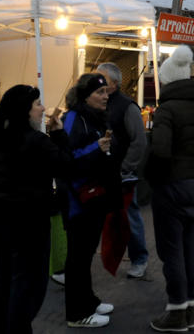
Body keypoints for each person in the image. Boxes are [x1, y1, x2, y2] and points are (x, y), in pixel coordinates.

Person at [0, 85, 72, 333]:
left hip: (0, 220)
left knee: (2, 277)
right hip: (30, 222)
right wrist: (59, 134)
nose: (43, 109)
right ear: (25, 110)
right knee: (29, 282)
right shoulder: (36, 141)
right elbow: (65, 166)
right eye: (37, 104)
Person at [145, 45, 194, 332]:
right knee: (190, 248)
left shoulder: (166, 110)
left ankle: (176, 311)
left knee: (171, 251)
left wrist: (152, 177)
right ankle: (190, 309)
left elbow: (160, 151)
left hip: (172, 185)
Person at [62, 73, 117, 327]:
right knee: (78, 256)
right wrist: (97, 148)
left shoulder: (95, 116)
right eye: (100, 92)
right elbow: (67, 157)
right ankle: (77, 313)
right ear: (86, 96)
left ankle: (88, 301)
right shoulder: (74, 118)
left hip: (95, 197)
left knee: (85, 255)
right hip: (79, 199)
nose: (105, 97)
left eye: (106, 92)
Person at [96, 62, 149, 279]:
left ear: (114, 84)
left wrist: (126, 167)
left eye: (102, 79)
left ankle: (139, 259)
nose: (97, 82)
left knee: (129, 216)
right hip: (101, 171)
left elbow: (139, 141)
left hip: (121, 173)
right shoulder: (96, 103)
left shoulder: (127, 106)